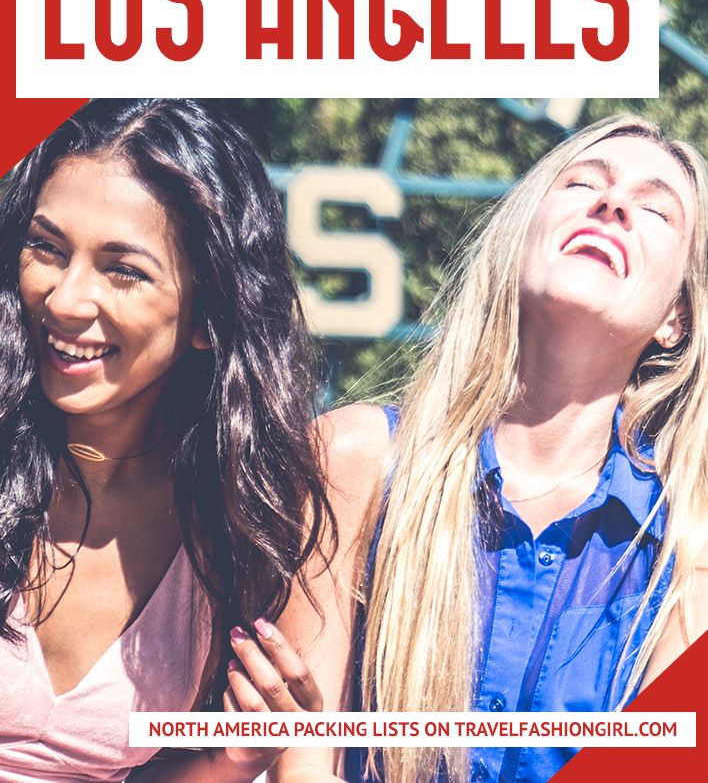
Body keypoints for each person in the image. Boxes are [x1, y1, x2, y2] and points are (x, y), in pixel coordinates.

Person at [271, 115, 708, 783]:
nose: (612, 202)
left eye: (654, 208)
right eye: (581, 181)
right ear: (521, 238)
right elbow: (302, 764)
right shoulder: (355, 458)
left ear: (676, 316)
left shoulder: (689, 548)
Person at [0, 98, 330, 783]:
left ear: (208, 317)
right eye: (48, 247)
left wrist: (233, 758)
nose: (64, 298)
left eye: (123, 268)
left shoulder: (241, 522)